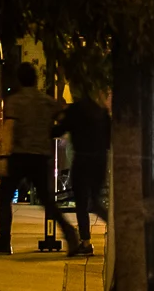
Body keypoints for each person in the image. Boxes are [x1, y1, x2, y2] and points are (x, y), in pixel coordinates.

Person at [0, 63, 74, 256]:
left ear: (20, 79)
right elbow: (64, 119)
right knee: (48, 201)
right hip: (41, 156)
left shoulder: (14, 101)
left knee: (6, 199)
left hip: (19, 155)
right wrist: (51, 132)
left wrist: (2, 157)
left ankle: (4, 241)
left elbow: (9, 130)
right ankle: (70, 234)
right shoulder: (46, 101)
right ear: (35, 79)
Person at [54, 88, 110, 258]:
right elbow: (109, 138)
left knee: (81, 203)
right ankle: (117, 231)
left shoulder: (75, 110)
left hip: (81, 160)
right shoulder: (101, 112)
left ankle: (85, 242)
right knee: (95, 202)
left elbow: (59, 130)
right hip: (99, 160)